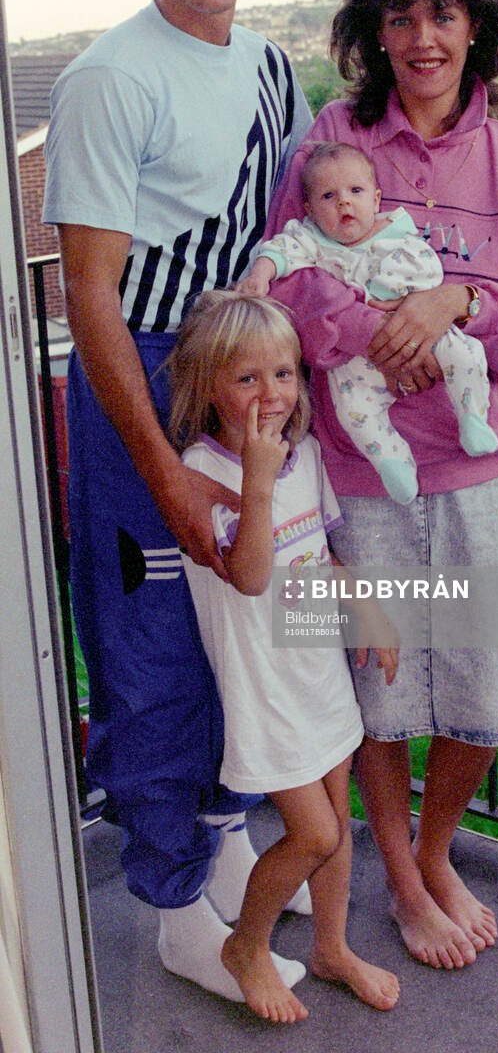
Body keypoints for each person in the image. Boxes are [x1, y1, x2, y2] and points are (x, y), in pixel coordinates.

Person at [264, 0, 498, 971]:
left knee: (478, 695)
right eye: (399, 18)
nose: (421, 37)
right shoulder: (331, 138)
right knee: (382, 687)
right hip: (365, 471)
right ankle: (402, 880)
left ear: (475, 27)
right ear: (375, 34)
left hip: (481, 471)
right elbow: (288, 289)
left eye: (441, 14)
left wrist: (456, 302)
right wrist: (377, 333)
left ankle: (438, 848)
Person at [42, 0, 313, 998]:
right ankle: (170, 895)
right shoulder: (109, 76)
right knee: (152, 638)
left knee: (247, 620)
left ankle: (236, 830)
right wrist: (157, 464)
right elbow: (85, 292)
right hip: (140, 380)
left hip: (235, 370)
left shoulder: (268, 65)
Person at [167, 291, 400, 1022]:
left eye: (284, 374)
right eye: (246, 378)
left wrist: (365, 603)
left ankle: (330, 947)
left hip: (314, 668)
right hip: (262, 687)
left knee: (340, 819)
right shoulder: (196, 472)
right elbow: (251, 574)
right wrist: (257, 482)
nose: (270, 393)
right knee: (314, 833)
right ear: (208, 385)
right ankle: (248, 947)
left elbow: (317, 557)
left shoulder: (305, 458)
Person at [238, 141, 498, 504]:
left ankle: (472, 414)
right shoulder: (312, 240)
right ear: (311, 210)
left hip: (419, 332)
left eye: (355, 191)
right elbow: (280, 252)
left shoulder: (394, 232)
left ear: (376, 200)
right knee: (355, 409)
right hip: (355, 358)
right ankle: (392, 459)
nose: (344, 202)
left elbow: (427, 270)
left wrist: (387, 294)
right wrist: (260, 274)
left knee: (465, 353)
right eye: (329, 196)